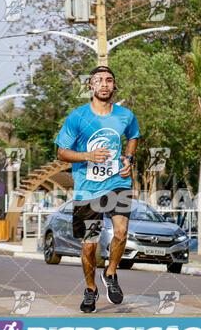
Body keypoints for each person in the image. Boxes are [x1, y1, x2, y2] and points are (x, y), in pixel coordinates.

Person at [55, 65, 139, 313]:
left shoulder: (125, 115)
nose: (104, 84)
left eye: (109, 80)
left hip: (118, 183)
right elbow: (61, 153)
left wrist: (129, 159)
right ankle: (90, 289)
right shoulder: (77, 117)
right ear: (90, 86)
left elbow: (133, 136)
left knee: (121, 232)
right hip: (88, 190)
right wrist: (88, 155)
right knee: (89, 245)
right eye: (99, 80)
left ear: (114, 86)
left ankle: (110, 273)